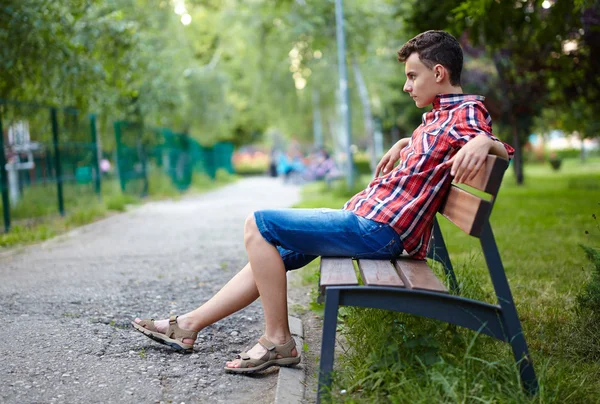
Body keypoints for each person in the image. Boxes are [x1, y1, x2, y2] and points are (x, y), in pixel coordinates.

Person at [131, 30, 514, 373]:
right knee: (275, 249)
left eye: (412, 76)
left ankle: (278, 340)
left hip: (379, 232)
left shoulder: (465, 111)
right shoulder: (438, 116)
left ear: (440, 74)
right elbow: (442, 143)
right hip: (368, 223)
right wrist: (406, 143)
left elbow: (491, 142)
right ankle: (189, 326)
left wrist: (485, 142)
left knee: (258, 224)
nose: (406, 86)